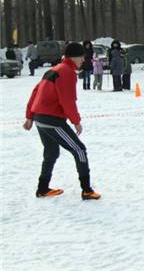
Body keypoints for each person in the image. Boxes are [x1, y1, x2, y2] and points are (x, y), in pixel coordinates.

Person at [23, 42, 101, 200]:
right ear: (75, 57)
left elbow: (35, 92)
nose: (83, 61)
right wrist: (76, 120)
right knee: (79, 150)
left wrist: (30, 116)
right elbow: (67, 100)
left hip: (40, 118)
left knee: (51, 153)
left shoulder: (53, 69)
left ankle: (43, 188)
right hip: (52, 119)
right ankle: (87, 190)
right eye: (82, 57)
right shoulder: (67, 72)